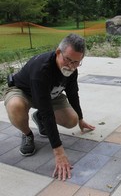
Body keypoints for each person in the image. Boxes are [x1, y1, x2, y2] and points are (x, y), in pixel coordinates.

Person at [3, 33, 95, 181]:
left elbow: (73, 94)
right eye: (68, 60)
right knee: (16, 107)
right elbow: (47, 111)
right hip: (23, 91)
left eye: (76, 62)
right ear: (58, 52)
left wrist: (81, 119)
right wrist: (59, 152)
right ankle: (27, 135)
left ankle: (38, 118)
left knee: (72, 120)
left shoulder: (72, 70)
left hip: (50, 94)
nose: (71, 66)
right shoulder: (42, 69)